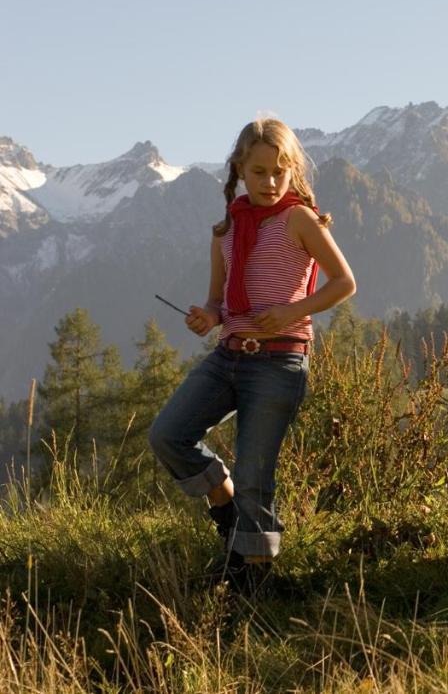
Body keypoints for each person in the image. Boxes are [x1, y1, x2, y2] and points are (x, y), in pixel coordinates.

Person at [149, 117, 357, 591]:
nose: (269, 182)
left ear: (293, 171)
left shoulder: (299, 219)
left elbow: (345, 282)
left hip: (280, 360)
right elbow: (217, 301)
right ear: (240, 169)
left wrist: (292, 312)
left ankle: (253, 579)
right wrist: (206, 316)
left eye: (279, 172)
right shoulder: (226, 229)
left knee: (255, 475)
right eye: (259, 172)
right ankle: (228, 519)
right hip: (229, 356)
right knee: (168, 434)